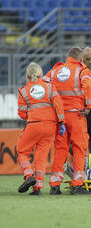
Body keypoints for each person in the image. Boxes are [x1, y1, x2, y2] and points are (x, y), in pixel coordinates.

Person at [45, 46, 91, 195]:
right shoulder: (82, 70)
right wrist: (89, 105)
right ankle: (77, 185)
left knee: (60, 149)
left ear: (68, 57)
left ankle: (54, 186)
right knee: (79, 148)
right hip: (77, 115)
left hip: (59, 116)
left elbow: (44, 85)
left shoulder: (55, 70)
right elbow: (88, 86)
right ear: (80, 59)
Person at [16, 62, 65, 195]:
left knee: (21, 151)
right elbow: (58, 104)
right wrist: (61, 122)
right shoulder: (50, 87)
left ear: (27, 76)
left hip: (34, 124)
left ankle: (28, 175)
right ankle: (37, 188)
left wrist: (32, 115)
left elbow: (21, 113)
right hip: (50, 126)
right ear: (41, 74)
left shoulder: (23, 91)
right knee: (41, 157)